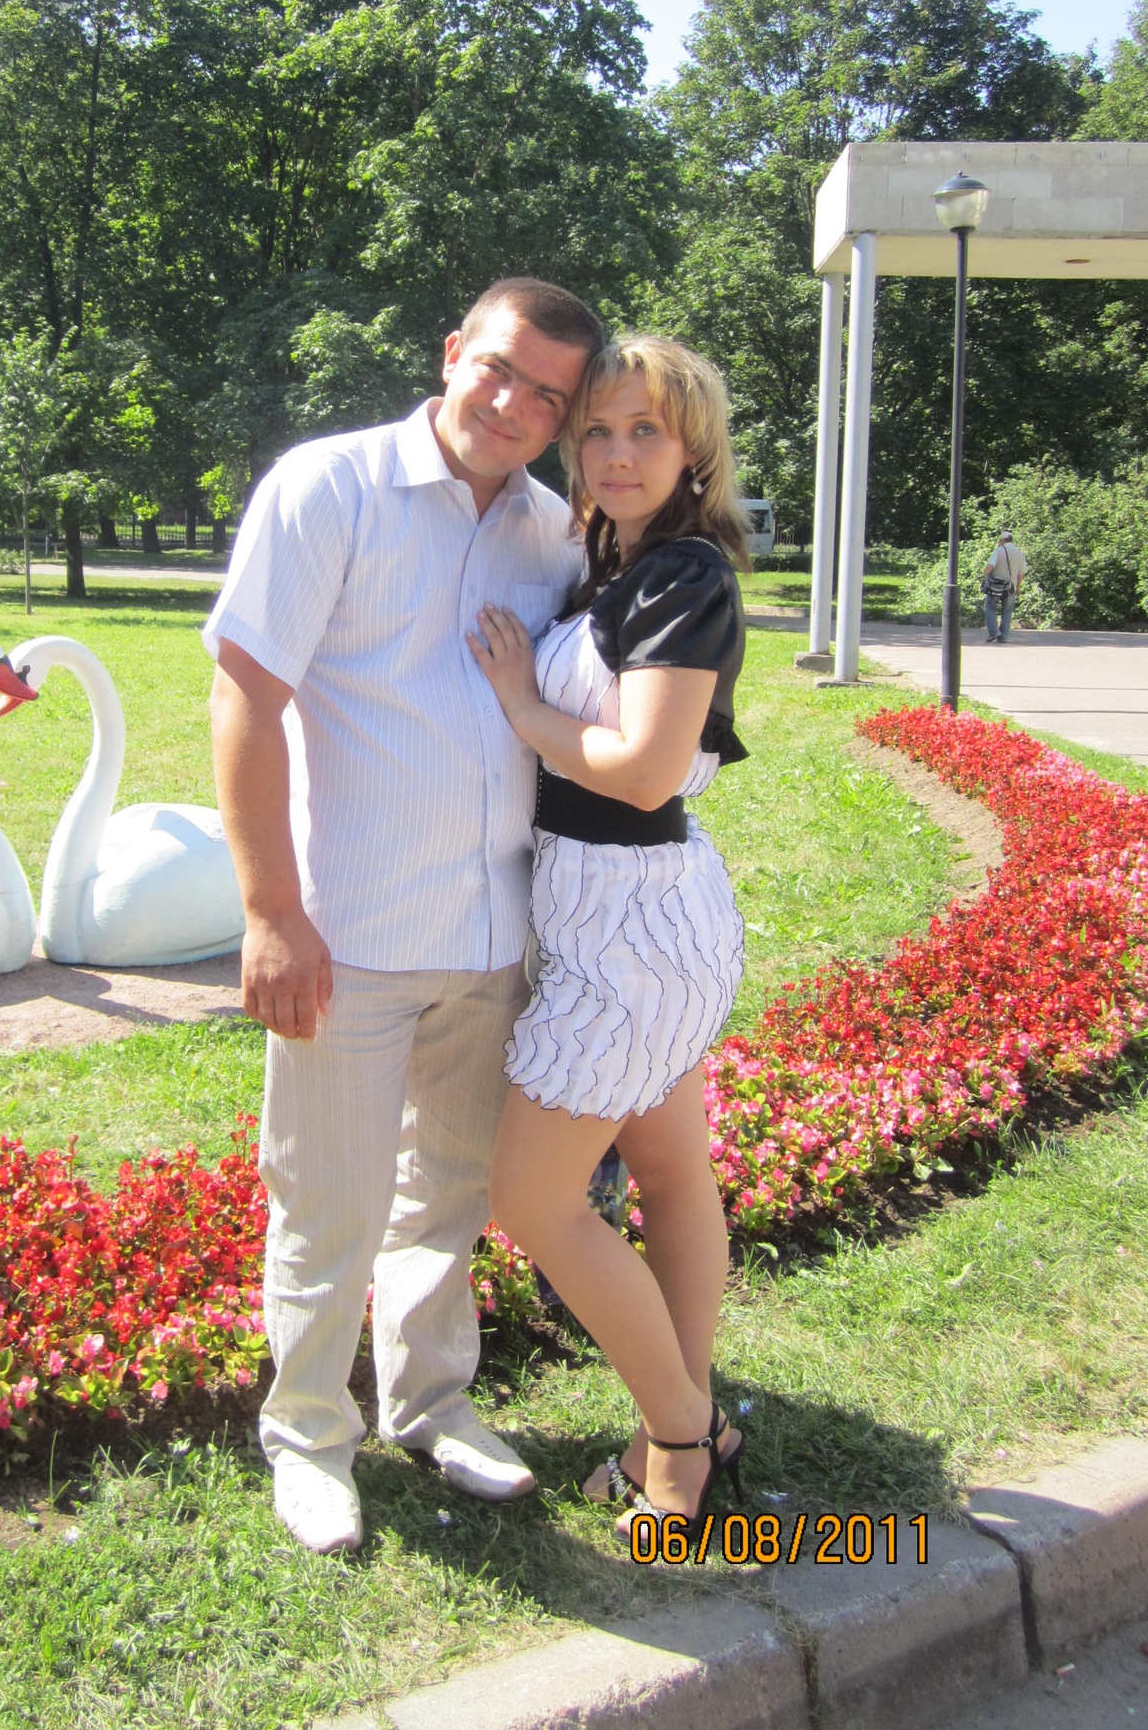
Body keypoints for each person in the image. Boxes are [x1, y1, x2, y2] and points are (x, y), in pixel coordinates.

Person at [204, 277, 602, 1553]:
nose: (514, 403)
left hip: (493, 933)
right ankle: (310, 1435)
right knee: (327, 1202)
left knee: (448, 1194)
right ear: (452, 352)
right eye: (499, 367)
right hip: (351, 933)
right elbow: (246, 696)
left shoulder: (553, 532)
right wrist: (272, 911)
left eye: (548, 394)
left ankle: (431, 1403)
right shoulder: (330, 488)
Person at [469, 333, 750, 1534]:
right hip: (620, 914)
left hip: (633, 927)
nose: (616, 452)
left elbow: (640, 770)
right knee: (673, 1174)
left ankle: (678, 1435)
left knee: (530, 1198)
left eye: (645, 430)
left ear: (693, 448)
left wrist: (521, 703)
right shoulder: (617, 564)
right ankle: (686, 1420)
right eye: (597, 429)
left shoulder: (684, 577)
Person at [982, 530, 1027, 643]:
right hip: (1011, 587)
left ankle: (994, 632)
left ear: (1002, 540)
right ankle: (1004, 636)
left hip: (995, 585)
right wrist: (1018, 587)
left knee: (990, 607)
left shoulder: (999, 550)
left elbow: (990, 566)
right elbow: (1021, 573)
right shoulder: (1020, 554)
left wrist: (985, 575)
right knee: (1007, 611)